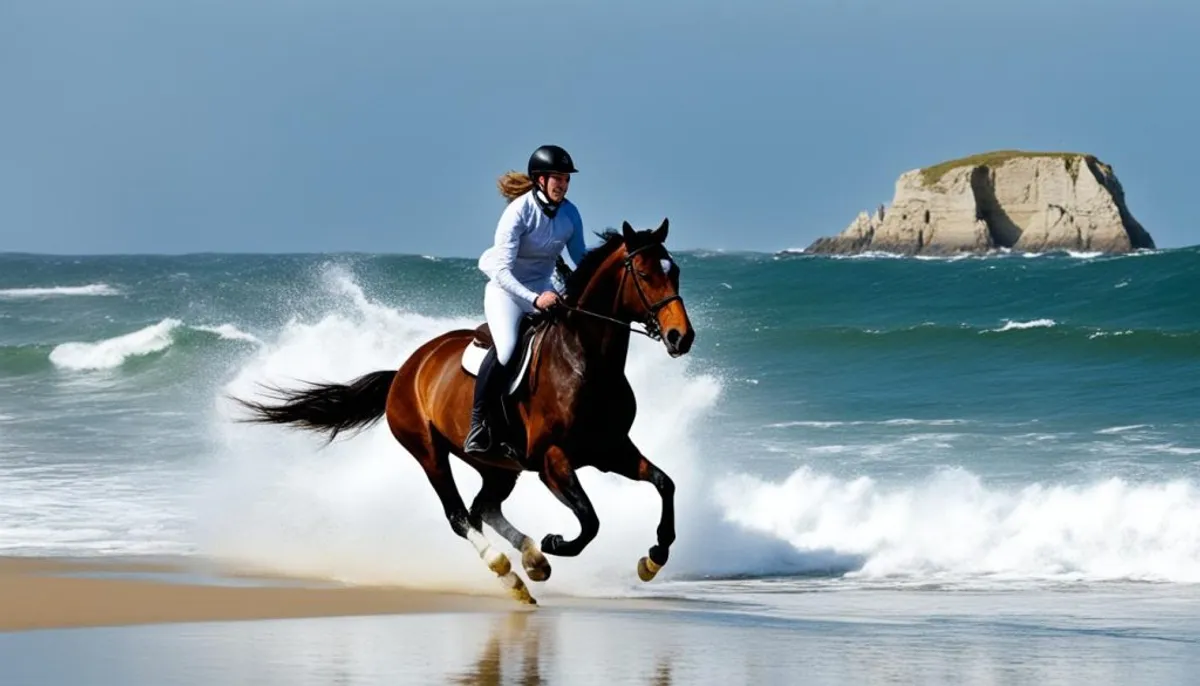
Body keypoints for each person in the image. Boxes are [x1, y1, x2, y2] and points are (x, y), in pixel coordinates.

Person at [465, 144, 589, 455]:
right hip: (507, 291)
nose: (562, 184)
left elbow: (581, 260)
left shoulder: (570, 214)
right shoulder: (518, 212)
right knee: (507, 349)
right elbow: (502, 271)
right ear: (540, 180)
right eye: (557, 178)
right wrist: (535, 299)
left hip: (544, 288)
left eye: (566, 179)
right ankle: (478, 424)